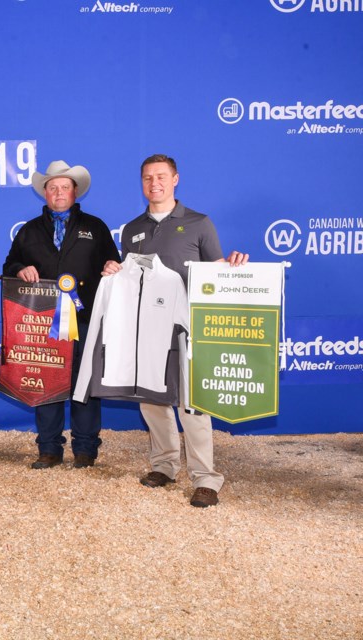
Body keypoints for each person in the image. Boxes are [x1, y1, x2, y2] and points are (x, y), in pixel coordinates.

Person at [102, 154, 248, 508]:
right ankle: (164, 466)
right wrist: (114, 268)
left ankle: (205, 478)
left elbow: (216, 269)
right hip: (147, 328)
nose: (155, 183)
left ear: (176, 179)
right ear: (142, 182)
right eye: (148, 178)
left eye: (162, 177)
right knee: (152, 401)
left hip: (188, 328)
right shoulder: (132, 228)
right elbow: (132, 278)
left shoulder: (199, 222)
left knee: (192, 405)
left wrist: (232, 266)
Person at [2, 160, 121, 470]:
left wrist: (112, 267)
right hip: (42, 321)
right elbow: (8, 267)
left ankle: (85, 449)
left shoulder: (95, 227)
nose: (58, 192)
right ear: (45, 192)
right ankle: (49, 448)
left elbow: (114, 262)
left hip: (84, 318)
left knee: (85, 385)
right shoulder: (28, 231)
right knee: (46, 381)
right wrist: (20, 269)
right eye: (52, 187)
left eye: (64, 187)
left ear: (75, 191)